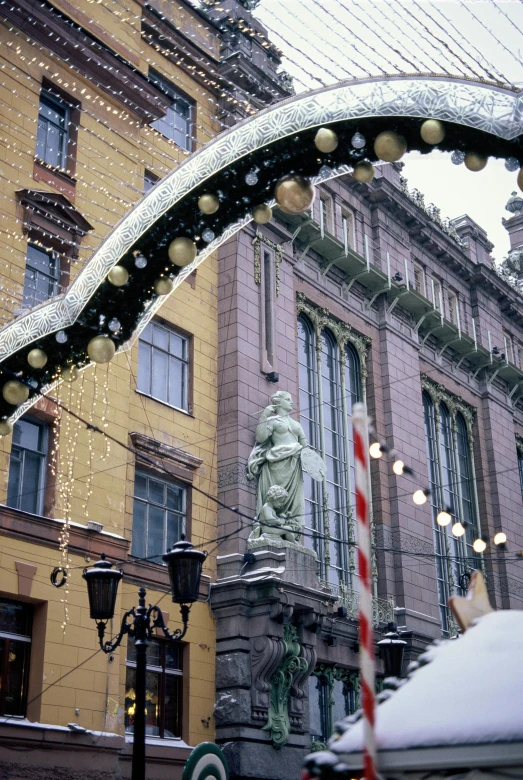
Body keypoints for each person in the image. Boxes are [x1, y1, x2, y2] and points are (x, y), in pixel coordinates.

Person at [247, 390, 307, 528]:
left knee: (293, 501)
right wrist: (264, 415)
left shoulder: (297, 425)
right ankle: (270, 524)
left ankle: (289, 527)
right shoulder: (272, 421)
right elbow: (260, 438)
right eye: (288, 399)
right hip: (275, 464)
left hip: (293, 466)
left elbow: (305, 447)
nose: (291, 402)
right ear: (279, 402)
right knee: (275, 495)